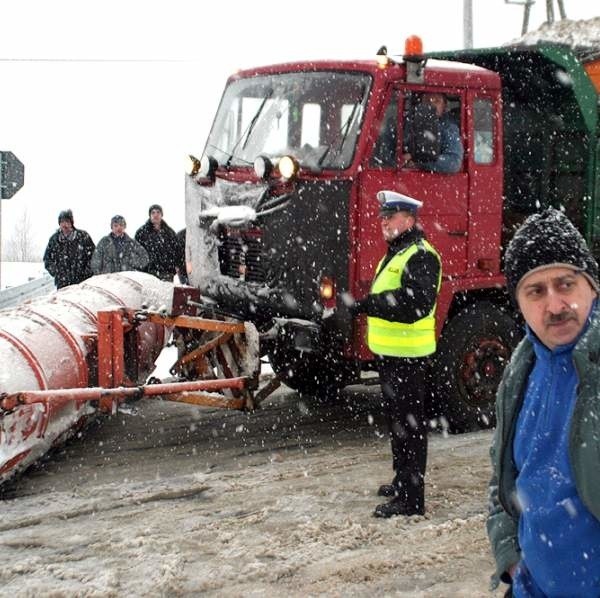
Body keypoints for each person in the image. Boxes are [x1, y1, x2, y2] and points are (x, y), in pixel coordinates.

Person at [487, 208, 600, 596]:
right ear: (518, 303)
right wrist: (511, 558)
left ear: (592, 286)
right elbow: (501, 477)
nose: (554, 305)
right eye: (536, 291)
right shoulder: (521, 369)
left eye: (565, 284)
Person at [350, 190, 441, 518]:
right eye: (382, 216)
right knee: (399, 424)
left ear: (410, 219)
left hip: (409, 357)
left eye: (391, 216)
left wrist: (365, 305)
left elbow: (415, 305)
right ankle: (403, 479)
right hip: (391, 355)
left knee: (411, 427)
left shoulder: (421, 256)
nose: (383, 222)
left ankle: (412, 500)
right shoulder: (397, 253)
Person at [402, 92, 463, 174]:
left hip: (433, 182)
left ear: (444, 106)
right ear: (420, 104)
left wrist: (419, 161)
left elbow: (453, 162)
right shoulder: (404, 123)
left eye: (437, 101)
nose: (432, 104)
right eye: (427, 100)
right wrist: (399, 160)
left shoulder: (448, 128)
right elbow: (384, 153)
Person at [43, 209, 95, 289]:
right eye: (62, 222)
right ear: (59, 223)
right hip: (62, 284)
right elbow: (47, 259)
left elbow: (94, 256)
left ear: (71, 223)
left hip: (83, 283)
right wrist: (57, 272)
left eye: (67, 222)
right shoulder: (54, 240)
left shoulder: (83, 236)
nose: (65, 225)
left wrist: (87, 272)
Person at [134, 204, 180, 281]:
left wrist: (174, 268)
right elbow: (136, 252)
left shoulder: (170, 232)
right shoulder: (141, 233)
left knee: (166, 293)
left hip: (166, 273)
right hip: (148, 273)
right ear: (150, 215)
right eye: (153, 212)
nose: (156, 215)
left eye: (158, 212)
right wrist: (141, 268)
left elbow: (177, 251)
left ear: (162, 215)